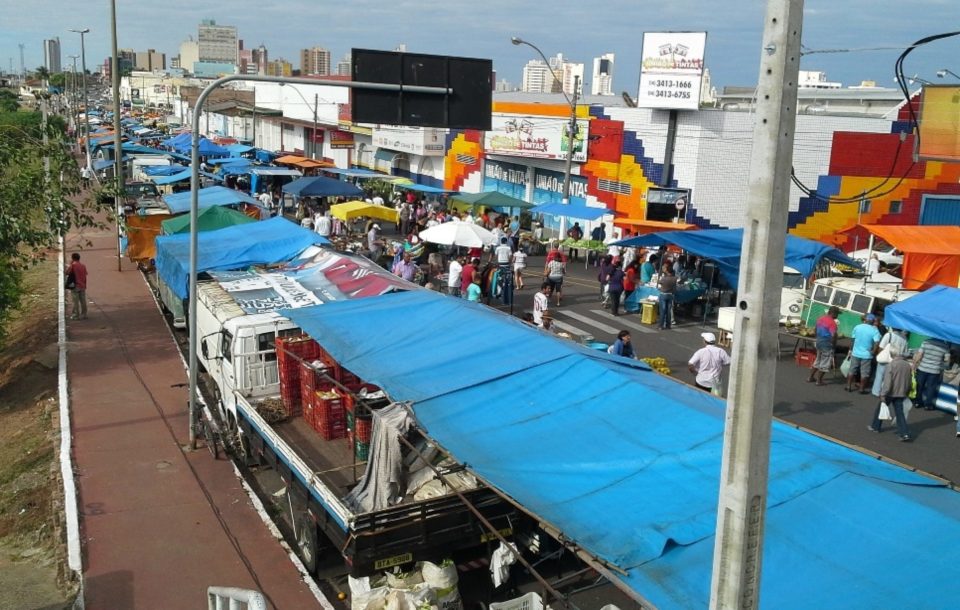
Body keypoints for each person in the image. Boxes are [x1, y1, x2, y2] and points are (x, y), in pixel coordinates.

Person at [868, 346, 914, 441]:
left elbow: (887, 382)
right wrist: (907, 391)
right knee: (900, 413)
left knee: (880, 408)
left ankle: (875, 426)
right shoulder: (907, 365)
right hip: (901, 392)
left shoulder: (891, 365)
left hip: (890, 392)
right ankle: (904, 433)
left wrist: (883, 393)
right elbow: (910, 380)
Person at [913, 336, 951, 410]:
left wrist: (914, 364)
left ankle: (918, 402)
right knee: (931, 388)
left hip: (922, 368)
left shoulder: (926, 342)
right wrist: (942, 366)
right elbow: (947, 360)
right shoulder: (945, 346)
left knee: (919, 386)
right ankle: (928, 405)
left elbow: (919, 355)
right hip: (935, 371)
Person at [846, 313, 881, 393]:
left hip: (855, 353)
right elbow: (877, 342)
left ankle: (848, 386)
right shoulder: (874, 330)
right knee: (864, 373)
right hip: (867, 355)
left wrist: (850, 350)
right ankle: (861, 389)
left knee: (852, 370)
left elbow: (853, 340)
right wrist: (873, 351)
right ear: (872, 321)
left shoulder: (857, 327)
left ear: (866, 320)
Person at [872, 327, 909, 397]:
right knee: (891, 377)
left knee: (880, 375)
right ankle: (887, 392)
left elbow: (881, 347)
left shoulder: (888, 335)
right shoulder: (905, 338)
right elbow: (905, 352)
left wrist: (879, 356)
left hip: (885, 359)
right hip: (897, 360)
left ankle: (876, 392)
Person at [807, 306, 840, 385]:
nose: (838, 316)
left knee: (818, 360)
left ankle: (810, 377)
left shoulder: (820, 318)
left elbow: (815, 329)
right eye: (837, 314)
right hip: (827, 343)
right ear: (833, 313)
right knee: (825, 363)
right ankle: (819, 381)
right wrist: (834, 345)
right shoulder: (832, 323)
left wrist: (817, 338)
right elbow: (833, 336)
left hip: (819, 341)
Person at [66, 252, 88, 320]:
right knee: (83, 301)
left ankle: (76, 315)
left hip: (75, 286)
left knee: (75, 301)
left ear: (73, 258)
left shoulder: (73, 265)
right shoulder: (83, 266)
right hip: (82, 285)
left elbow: (67, 272)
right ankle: (84, 314)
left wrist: (70, 264)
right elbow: (85, 274)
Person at [657, 264, 677, 330]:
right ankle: (668, 325)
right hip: (670, 295)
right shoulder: (674, 278)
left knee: (663, 311)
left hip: (663, 294)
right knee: (668, 311)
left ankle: (661, 325)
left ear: (667, 271)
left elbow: (659, 282)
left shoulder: (664, 278)